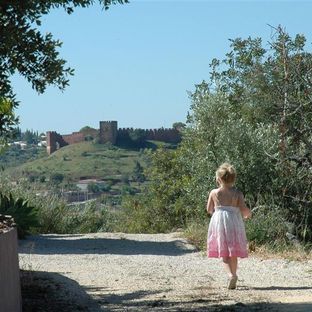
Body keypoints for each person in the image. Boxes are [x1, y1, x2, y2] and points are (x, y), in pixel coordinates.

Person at [206, 163, 251, 290]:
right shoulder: (237, 193)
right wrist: (248, 214)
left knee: (224, 252)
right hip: (234, 222)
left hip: (219, 222)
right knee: (233, 251)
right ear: (233, 178)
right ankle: (235, 274)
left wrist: (217, 210)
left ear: (219, 179)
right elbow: (243, 208)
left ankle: (230, 275)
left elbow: (209, 209)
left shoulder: (214, 193)